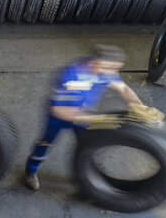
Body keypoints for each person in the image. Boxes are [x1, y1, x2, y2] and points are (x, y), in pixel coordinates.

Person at [24, 45, 146, 191]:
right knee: (45, 144)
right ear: (94, 63)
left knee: (87, 146)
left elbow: (124, 88)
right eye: (111, 68)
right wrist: (99, 119)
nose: (114, 73)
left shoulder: (105, 71)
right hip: (58, 118)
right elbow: (58, 110)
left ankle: (84, 177)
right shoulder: (70, 75)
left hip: (83, 116)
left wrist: (141, 108)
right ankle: (31, 171)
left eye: (117, 69)